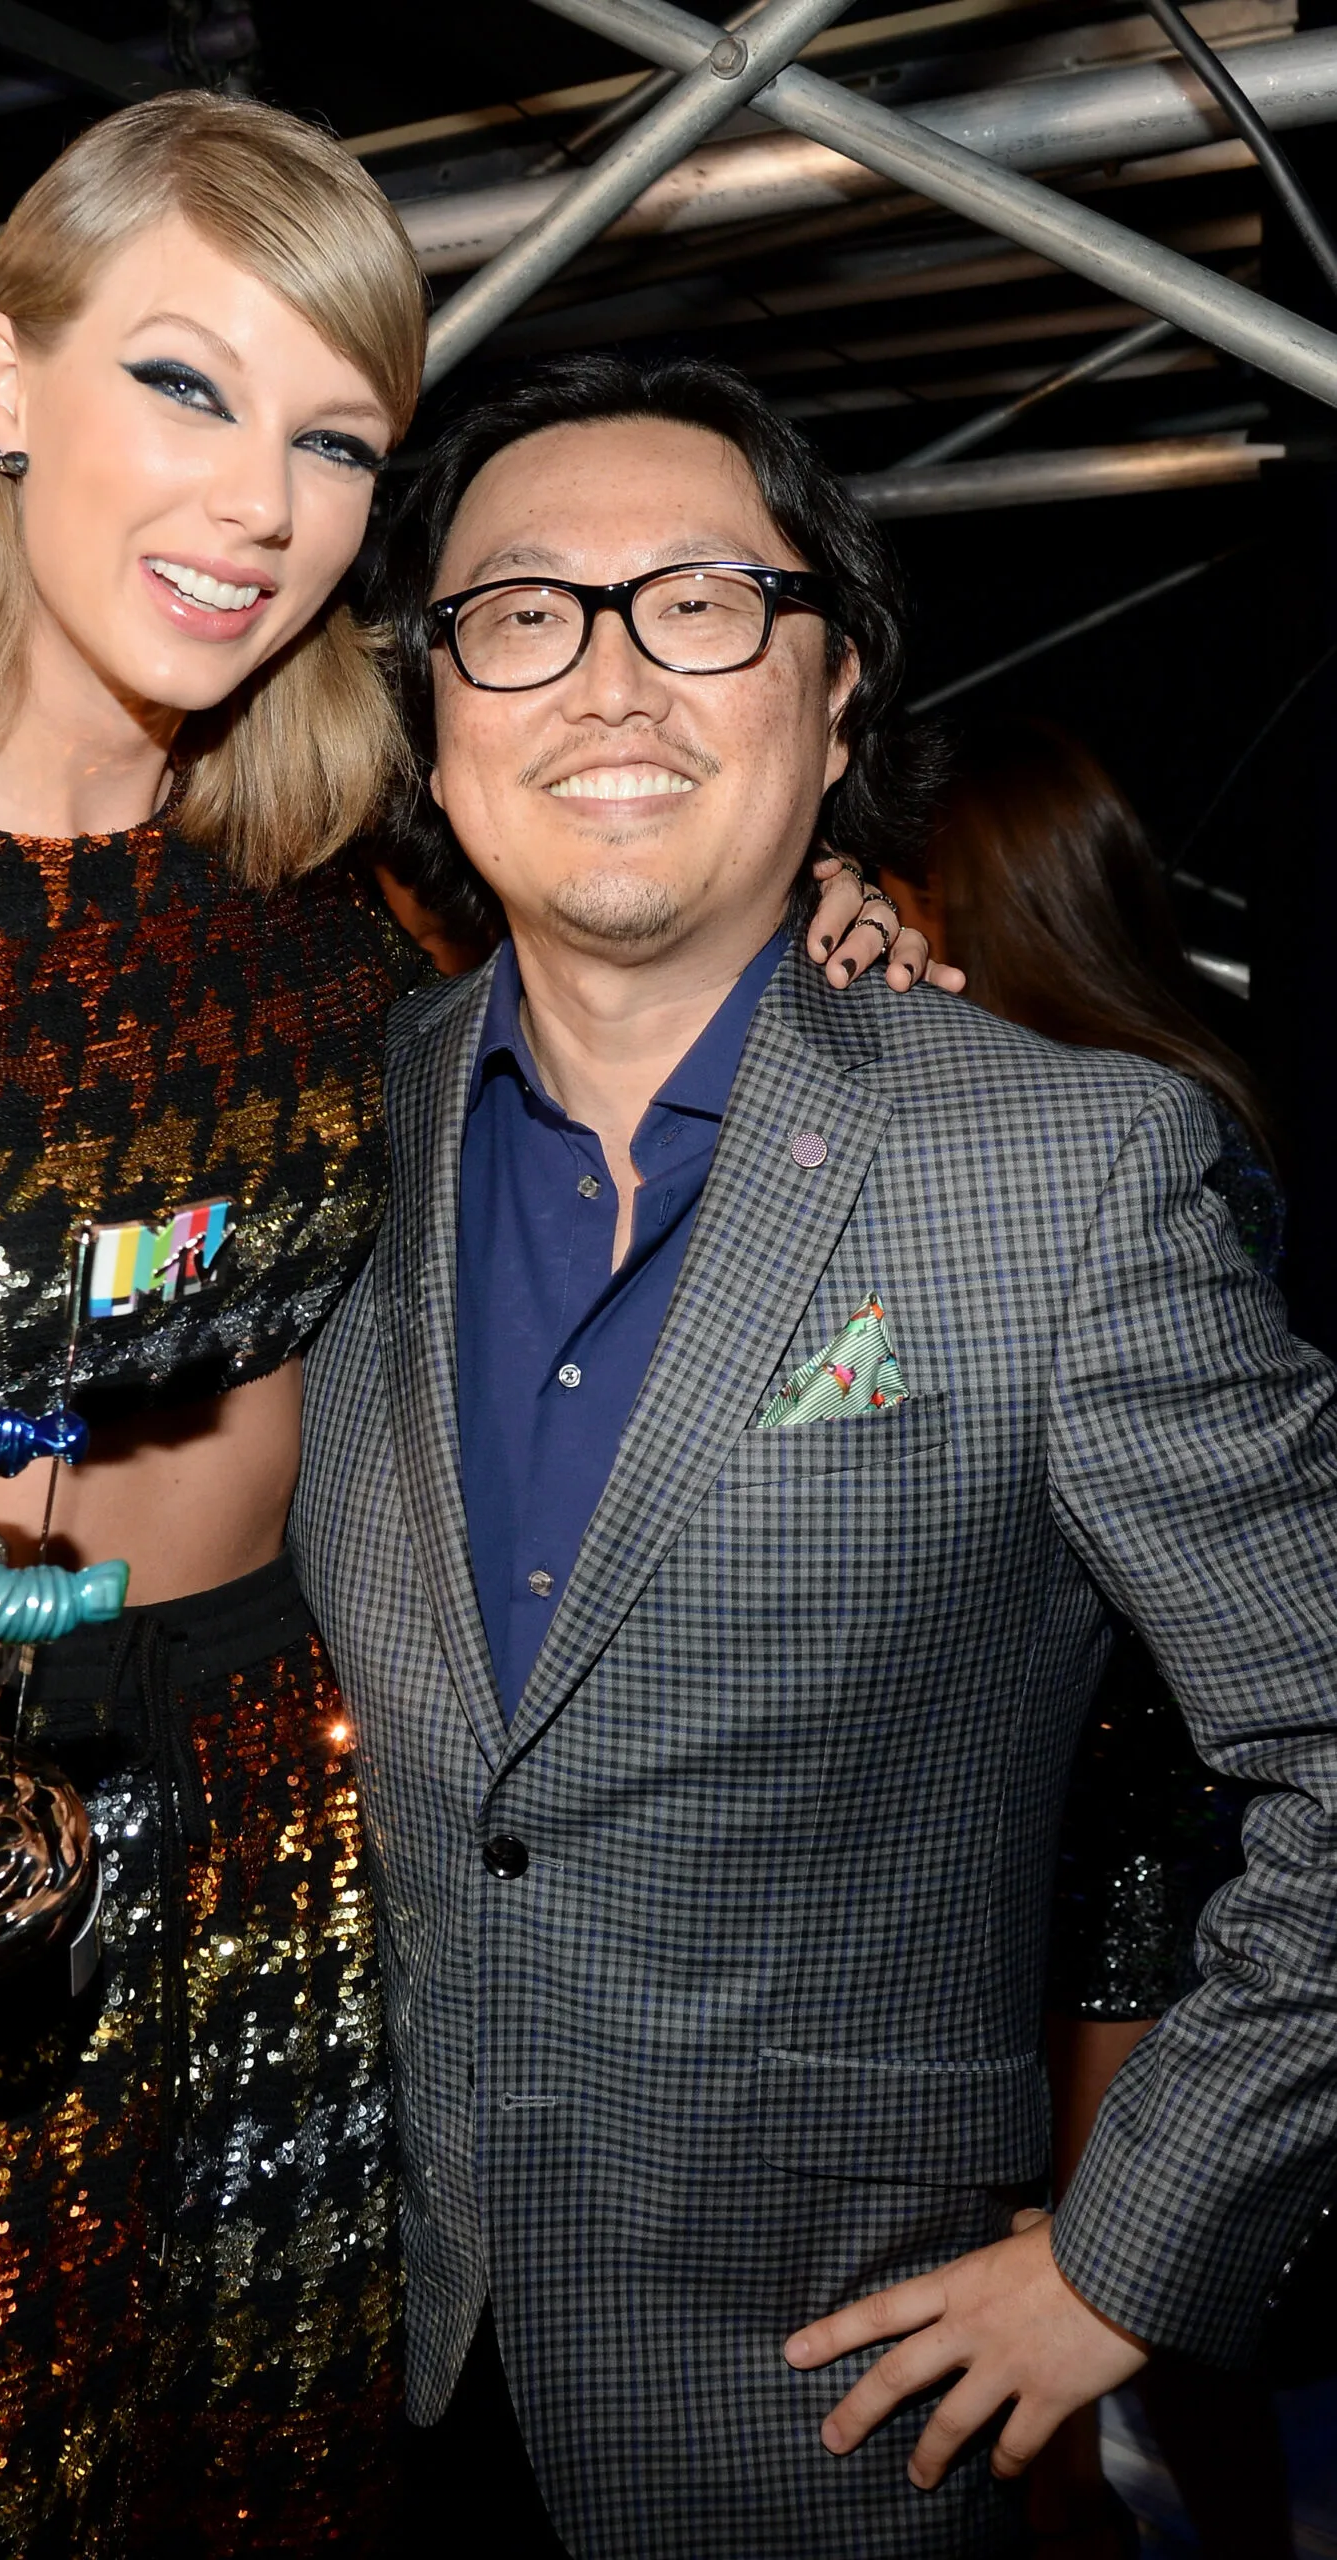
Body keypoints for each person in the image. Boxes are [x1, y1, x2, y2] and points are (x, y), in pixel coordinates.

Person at [0, 106, 934, 2560]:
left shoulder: (333, 871)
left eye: (335, 434)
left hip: (299, 1813)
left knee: (282, 2498)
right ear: (2, 379)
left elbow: (637, 922)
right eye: (183, 385)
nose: (262, 499)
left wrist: (827, 925)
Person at [287, 351, 1337, 2559]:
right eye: (523, 611)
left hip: (821, 2388)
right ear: (432, 703)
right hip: (364, 2362)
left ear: (834, 695)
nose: (605, 679)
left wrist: (1123, 2252)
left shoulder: (1065, 1171)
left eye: (698, 604)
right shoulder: (315, 1137)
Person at [885, 719, 1292, 2560]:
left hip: (1131, 1799)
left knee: (1118, 2290)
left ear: (985, 900)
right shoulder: (1077, 1098)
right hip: (1067, 1786)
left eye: (910, 892)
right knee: (1048, 2309)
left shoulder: (1130, 1138)